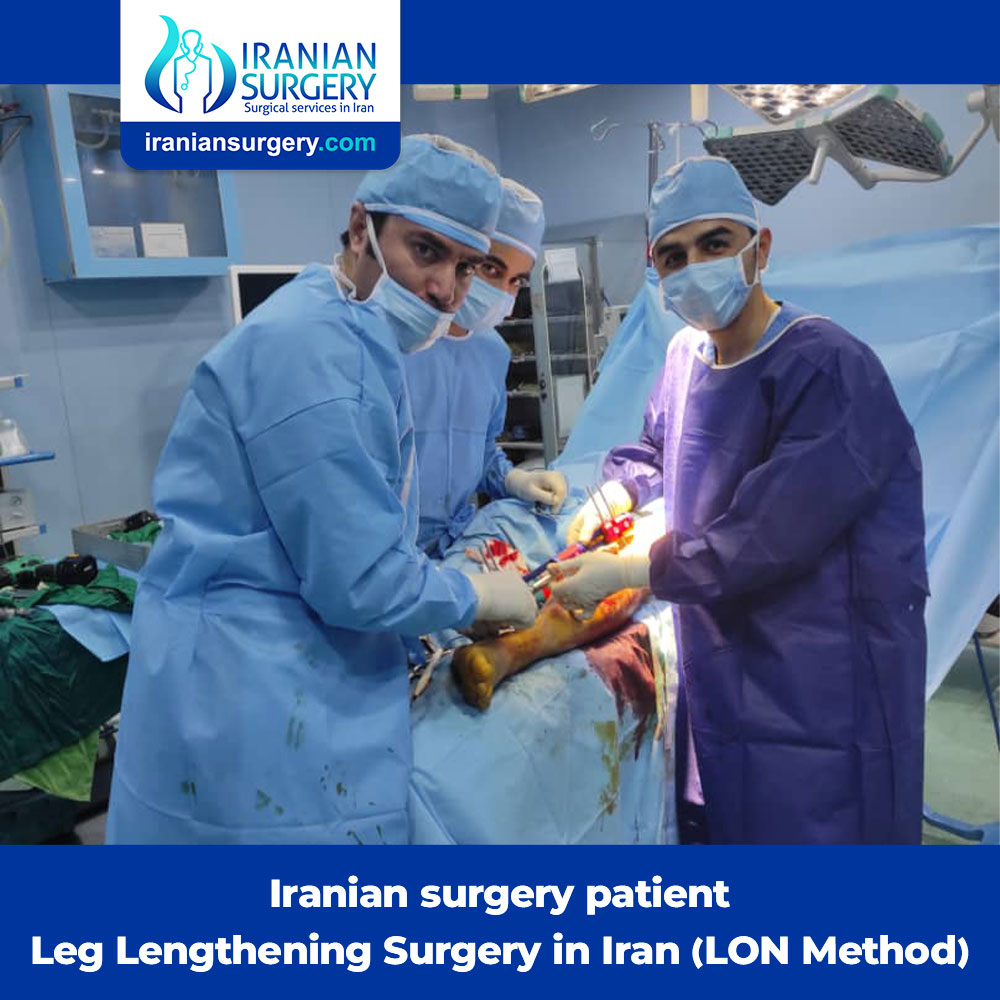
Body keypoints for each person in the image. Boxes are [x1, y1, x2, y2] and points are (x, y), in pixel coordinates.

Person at [107, 134, 539, 845]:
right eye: (426, 250)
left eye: (466, 266)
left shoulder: (347, 328)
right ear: (360, 226)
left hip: (266, 662)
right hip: (255, 688)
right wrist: (475, 596)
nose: (446, 288)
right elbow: (361, 581)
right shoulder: (311, 348)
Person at [550, 156, 928, 845]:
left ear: (761, 248)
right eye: (673, 255)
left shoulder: (828, 367)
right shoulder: (685, 359)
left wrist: (633, 570)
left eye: (715, 243)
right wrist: (617, 490)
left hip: (822, 670)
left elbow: (766, 536)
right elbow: (659, 449)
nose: (694, 266)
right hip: (723, 650)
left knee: (824, 839)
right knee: (734, 818)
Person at [404, 177, 567, 556]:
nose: (502, 293)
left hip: (455, 545)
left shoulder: (492, 351)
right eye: (492, 269)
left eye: (516, 281)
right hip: (388, 551)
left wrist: (513, 481)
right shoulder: (397, 344)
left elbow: (479, 450)